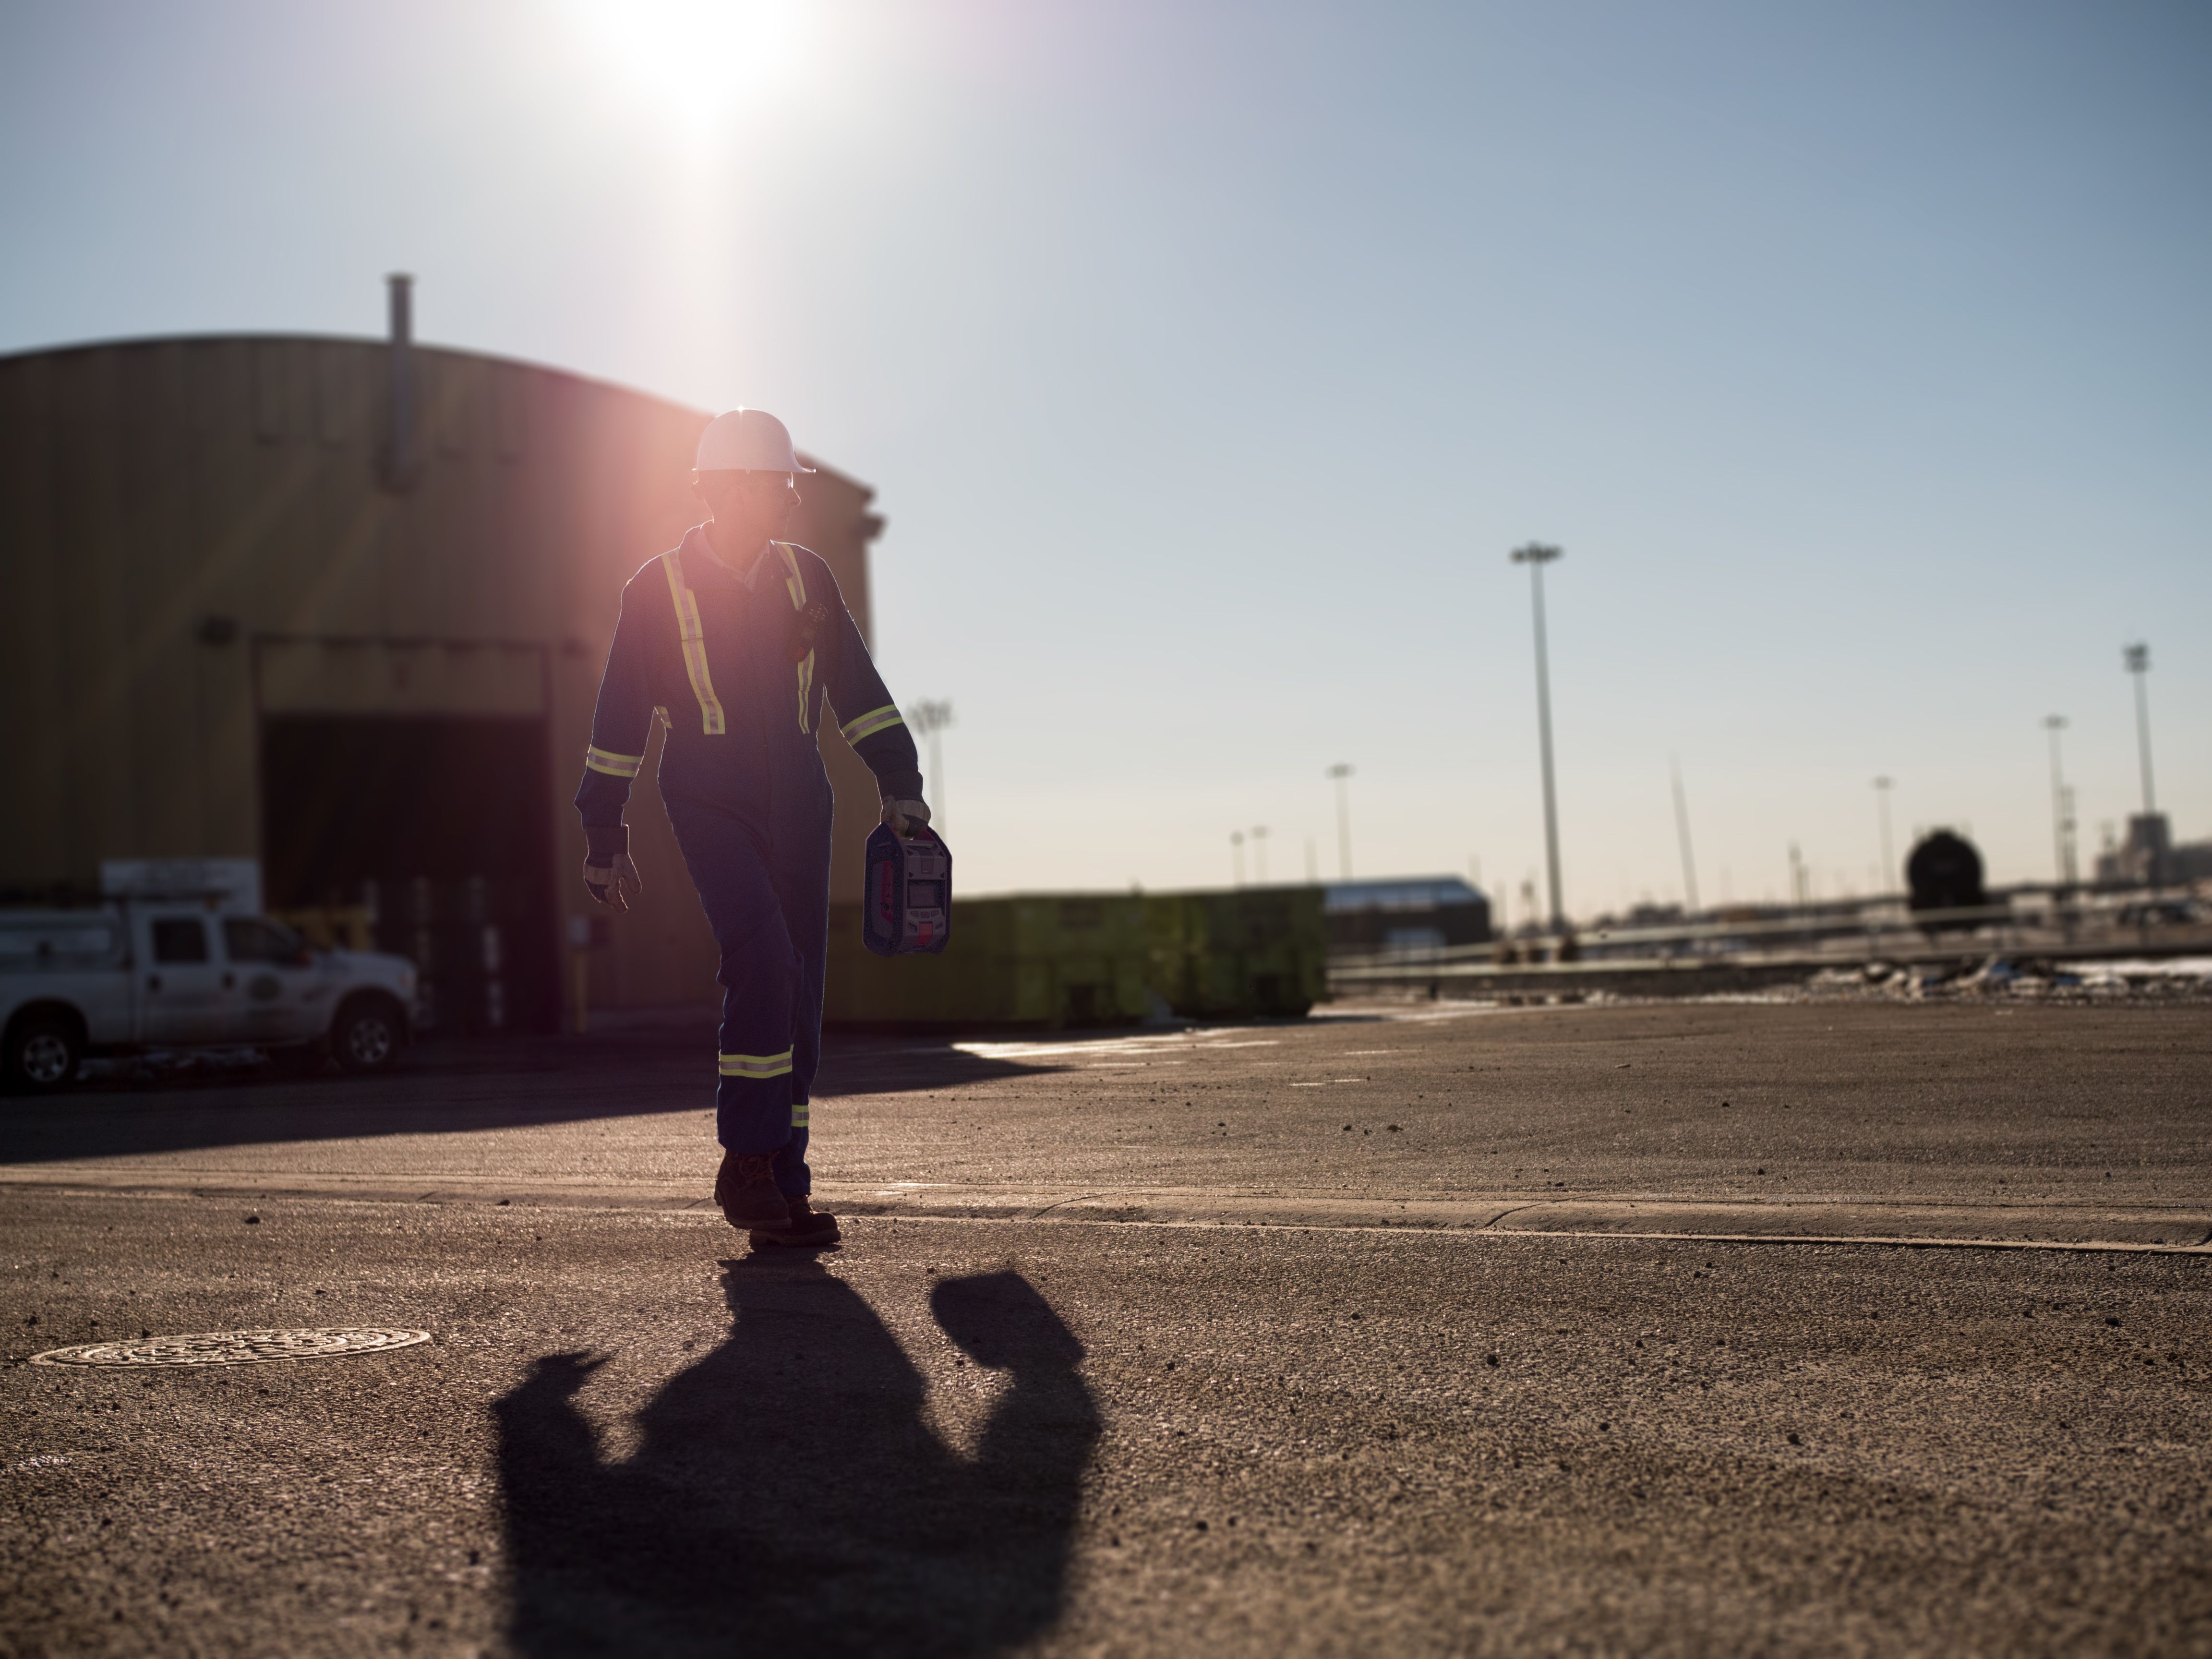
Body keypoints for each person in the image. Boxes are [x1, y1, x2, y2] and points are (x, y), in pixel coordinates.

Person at [575, 409, 928, 1246]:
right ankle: (747, 1161)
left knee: (799, 990)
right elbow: (619, 717)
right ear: (731, 489)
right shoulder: (656, 589)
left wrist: (900, 782)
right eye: (779, 487)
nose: (792, 502)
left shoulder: (807, 578)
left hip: (801, 796)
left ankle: (784, 1186)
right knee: (763, 959)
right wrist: (604, 835)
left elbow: (857, 688)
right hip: (708, 795)